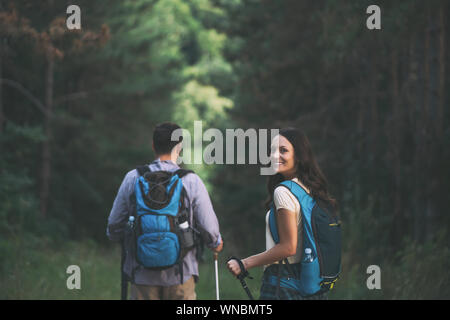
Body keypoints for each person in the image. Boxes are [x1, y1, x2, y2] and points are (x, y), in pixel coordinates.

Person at [107, 122, 223, 300]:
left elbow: (114, 224)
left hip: (141, 275)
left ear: (153, 146)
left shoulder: (133, 177)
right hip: (181, 274)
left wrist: (117, 237)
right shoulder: (191, 181)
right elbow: (209, 227)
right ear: (179, 147)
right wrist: (215, 243)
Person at [226, 127, 336, 300]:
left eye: (283, 150)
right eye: (273, 150)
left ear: (299, 156)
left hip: (283, 285)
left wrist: (244, 264)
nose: (275, 155)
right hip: (312, 285)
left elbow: (288, 247)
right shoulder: (311, 190)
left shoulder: (283, 192)